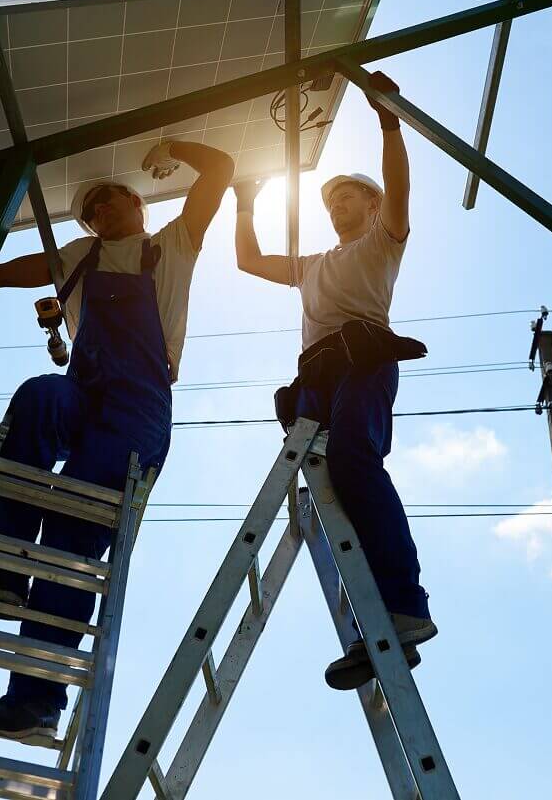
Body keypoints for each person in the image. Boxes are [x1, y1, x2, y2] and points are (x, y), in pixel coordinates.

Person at [0, 139, 234, 737]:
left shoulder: (175, 241)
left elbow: (223, 169)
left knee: (67, 546)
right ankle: (2, 567)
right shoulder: (80, 255)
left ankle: (35, 703)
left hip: (139, 407)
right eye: (89, 211)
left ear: (137, 201)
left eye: (108, 200)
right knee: (39, 395)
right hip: (85, 390)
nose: (99, 211)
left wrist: (171, 147)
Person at [231, 70, 436, 691]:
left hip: (364, 359)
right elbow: (246, 260)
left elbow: (400, 187)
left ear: (371, 206)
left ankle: (405, 602)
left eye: (347, 194)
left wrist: (388, 118)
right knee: (322, 491)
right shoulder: (312, 264)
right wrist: (245, 200)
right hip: (314, 375)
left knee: (352, 460)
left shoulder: (382, 242)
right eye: (330, 199)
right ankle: (368, 632)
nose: (336, 202)